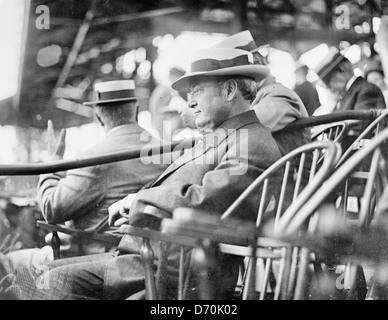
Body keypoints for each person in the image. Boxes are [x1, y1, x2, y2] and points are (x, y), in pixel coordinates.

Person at [0, 47, 283, 300]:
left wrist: (135, 200)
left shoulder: (251, 143)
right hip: (146, 257)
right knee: (29, 278)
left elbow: (207, 200)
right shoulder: (224, 137)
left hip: (172, 272)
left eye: (197, 90)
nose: (190, 102)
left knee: (38, 284)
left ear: (230, 89)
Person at [36, 80, 168, 258]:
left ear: (98, 116)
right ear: (136, 109)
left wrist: (52, 162)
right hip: (145, 254)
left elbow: (51, 209)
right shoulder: (164, 150)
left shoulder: (94, 159)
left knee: (10, 261)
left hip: (90, 257)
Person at [211, 30, 311, 157]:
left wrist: (211, 121)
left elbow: (248, 127)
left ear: (256, 63)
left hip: (290, 175)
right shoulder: (262, 96)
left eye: (232, 77)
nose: (229, 87)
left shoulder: (280, 95)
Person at [314, 47, 386, 112]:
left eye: (328, 82)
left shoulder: (366, 90)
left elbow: (361, 124)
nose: (329, 88)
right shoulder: (344, 97)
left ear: (343, 70)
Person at [148, 66, 187, 142]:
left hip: (161, 120)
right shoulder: (165, 88)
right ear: (174, 76)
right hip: (160, 121)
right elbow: (154, 107)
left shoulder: (165, 87)